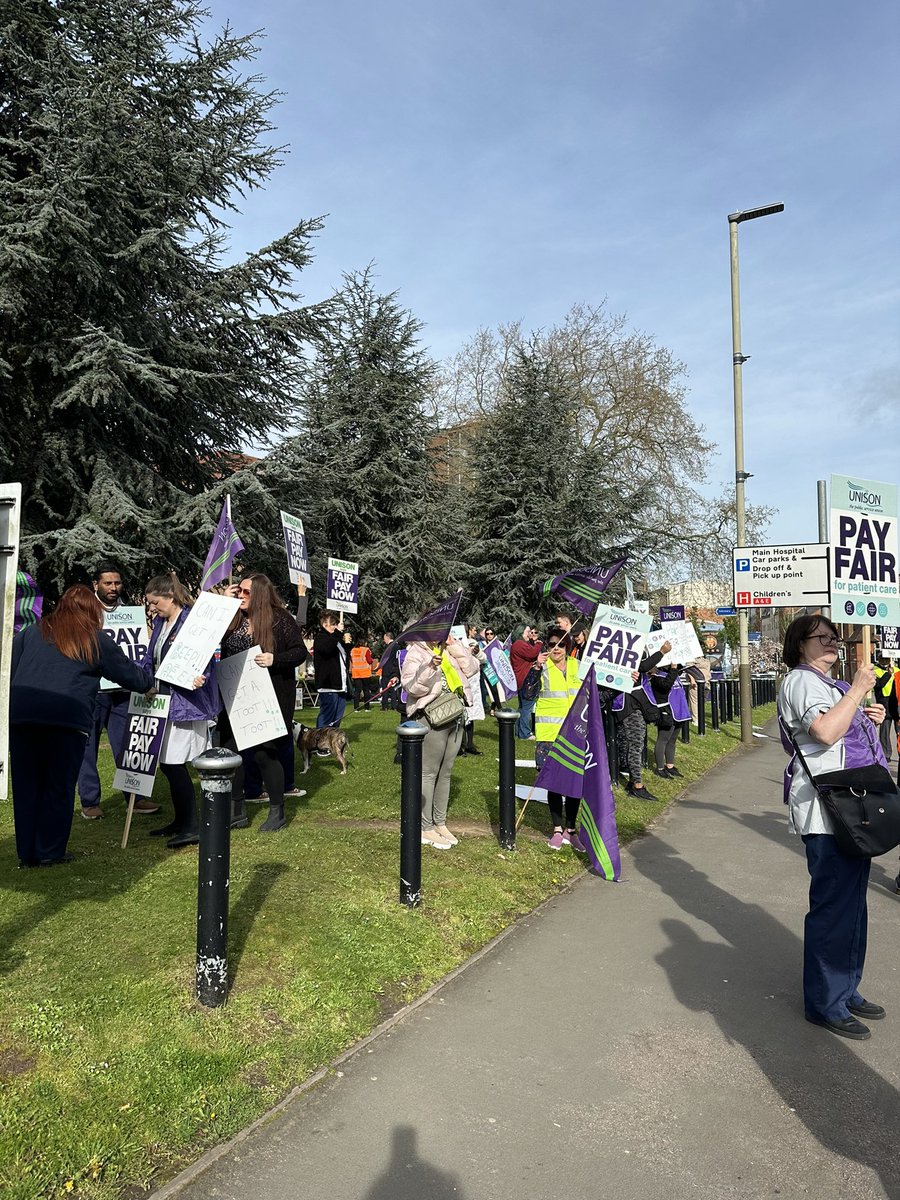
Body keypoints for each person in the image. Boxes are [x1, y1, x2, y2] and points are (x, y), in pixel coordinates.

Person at [777, 614, 886, 1041]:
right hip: (828, 812)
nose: (832, 644)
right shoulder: (801, 682)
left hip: (849, 807)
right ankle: (825, 1002)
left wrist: (865, 714)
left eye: (834, 638)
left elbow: (841, 729)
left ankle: (845, 988)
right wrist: (858, 690)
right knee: (833, 910)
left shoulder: (830, 686)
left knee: (853, 906)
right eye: (820, 638)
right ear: (799, 644)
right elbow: (823, 731)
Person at [10, 585, 152, 867]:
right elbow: (128, 674)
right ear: (92, 611)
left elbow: (11, 669)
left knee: (26, 787)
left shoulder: (31, 632)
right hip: (66, 719)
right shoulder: (94, 638)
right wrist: (148, 682)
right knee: (58, 787)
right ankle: (50, 851)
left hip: (23, 716)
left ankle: (27, 854)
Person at [224, 574, 308, 832]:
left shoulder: (279, 619)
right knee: (231, 753)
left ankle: (276, 811)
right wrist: (222, 605)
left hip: (269, 698)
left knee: (264, 754)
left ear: (260, 593)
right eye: (239, 591)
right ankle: (236, 810)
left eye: (246, 592)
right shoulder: (234, 618)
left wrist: (275, 659)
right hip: (235, 698)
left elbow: (299, 651)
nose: (241, 595)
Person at [142, 573, 221, 848]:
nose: (152, 608)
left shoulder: (192, 621)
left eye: (155, 602)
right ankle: (181, 819)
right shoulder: (162, 623)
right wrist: (143, 682)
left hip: (186, 704)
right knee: (166, 763)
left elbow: (205, 656)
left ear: (170, 597)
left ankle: (191, 824)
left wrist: (202, 676)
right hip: (163, 701)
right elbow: (151, 658)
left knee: (175, 763)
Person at [77, 561, 159, 820]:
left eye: (117, 583)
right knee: (87, 748)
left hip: (124, 691)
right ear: (95, 585)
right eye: (108, 583)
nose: (114, 588)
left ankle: (136, 797)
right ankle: (90, 801)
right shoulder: (85, 611)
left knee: (129, 745)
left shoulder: (130, 612)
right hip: (94, 690)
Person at [401, 633, 480, 849]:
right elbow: (412, 688)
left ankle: (440, 822)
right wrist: (429, 668)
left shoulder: (449, 648)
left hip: (455, 714)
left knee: (446, 771)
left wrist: (456, 647)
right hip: (431, 716)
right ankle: (425, 827)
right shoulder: (416, 652)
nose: (440, 633)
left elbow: (472, 668)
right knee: (429, 772)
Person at [535, 628, 586, 851]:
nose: (556, 648)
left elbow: (598, 690)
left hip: (576, 733)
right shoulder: (541, 667)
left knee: (575, 782)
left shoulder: (578, 666)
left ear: (568, 647)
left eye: (561, 644)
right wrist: (534, 667)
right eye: (552, 644)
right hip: (550, 734)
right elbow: (525, 694)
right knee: (554, 782)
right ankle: (557, 828)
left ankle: (571, 829)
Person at [612, 640, 671, 801]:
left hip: (630, 704)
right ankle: (637, 785)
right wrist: (662, 652)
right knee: (635, 745)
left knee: (633, 745)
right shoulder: (623, 649)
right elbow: (643, 666)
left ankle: (633, 781)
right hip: (629, 705)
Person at [646, 664, 691, 778]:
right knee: (663, 739)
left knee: (672, 740)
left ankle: (670, 766)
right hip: (666, 712)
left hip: (679, 712)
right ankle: (660, 768)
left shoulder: (674, 674)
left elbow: (679, 669)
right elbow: (666, 686)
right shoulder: (656, 678)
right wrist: (673, 668)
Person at [314, 610, 351, 729]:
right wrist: (338, 633)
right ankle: (319, 742)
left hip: (340, 685)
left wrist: (347, 645)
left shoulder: (335, 639)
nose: (336, 626)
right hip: (328, 685)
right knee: (326, 718)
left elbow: (342, 659)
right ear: (325, 625)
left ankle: (331, 743)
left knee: (337, 718)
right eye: (333, 624)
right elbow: (327, 649)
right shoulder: (321, 638)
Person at [510, 624, 543, 739]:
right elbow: (532, 653)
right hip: (525, 679)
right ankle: (525, 733)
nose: (530, 634)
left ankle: (518, 731)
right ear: (521, 632)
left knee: (523, 706)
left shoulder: (518, 644)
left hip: (521, 679)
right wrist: (539, 643)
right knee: (527, 707)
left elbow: (529, 653)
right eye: (528, 631)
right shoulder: (519, 644)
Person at [350, 634, 375, 712]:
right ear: (364, 643)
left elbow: (352, 660)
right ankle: (367, 707)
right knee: (366, 690)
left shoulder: (353, 650)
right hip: (365, 673)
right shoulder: (366, 650)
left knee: (357, 691)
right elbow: (369, 660)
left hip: (356, 673)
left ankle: (356, 708)